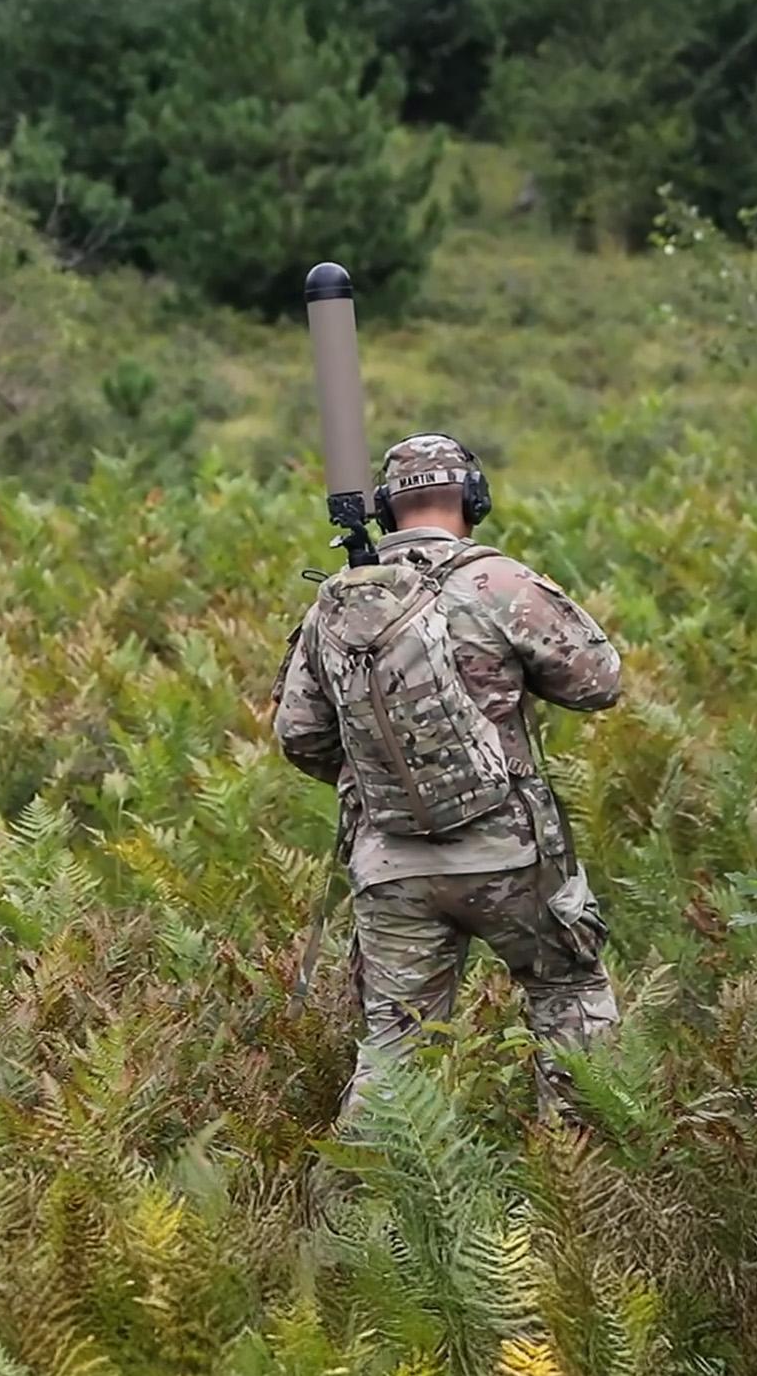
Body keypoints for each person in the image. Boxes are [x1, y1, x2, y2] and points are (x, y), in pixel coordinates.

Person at [272, 433, 623, 1118]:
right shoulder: (498, 582)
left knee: (394, 1049)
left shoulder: (336, 603)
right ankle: (583, 1196)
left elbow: (300, 734)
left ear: (384, 508)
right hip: (513, 855)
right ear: (473, 499)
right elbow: (597, 682)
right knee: (567, 1000)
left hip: (391, 863)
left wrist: (387, 779)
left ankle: (367, 1212)